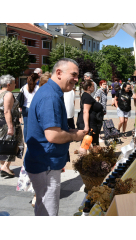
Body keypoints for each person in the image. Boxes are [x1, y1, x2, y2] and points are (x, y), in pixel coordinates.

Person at [24, 58, 86, 216]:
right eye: (73, 74)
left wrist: (71, 132)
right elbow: (52, 135)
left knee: (42, 207)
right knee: (48, 212)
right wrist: (75, 136)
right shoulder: (50, 97)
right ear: (59, 73)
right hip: (45, 164)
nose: (76, 79)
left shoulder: (50, 92)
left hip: (44, 162)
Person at [0, 74, 24, 178]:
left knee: (2, 144)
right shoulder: (8, 94)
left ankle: (4, 166)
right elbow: (7, 111)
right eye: (14, 82)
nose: (15, 84)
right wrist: (11, 126)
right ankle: (5, 166)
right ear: (8, 84)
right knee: (12, 144)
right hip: (8, 123)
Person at [77, 80, 104, 154]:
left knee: (89, 143)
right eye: (93, 86)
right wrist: (86, 126)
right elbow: (86, 111)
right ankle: (85, 161)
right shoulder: (87, 97)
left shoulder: (86, 96)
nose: (94, 87)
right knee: (86, 144)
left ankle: (90, 160)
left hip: (91, 123)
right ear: (89, 88)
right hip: (89, 124)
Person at [20, 73, 40, 142]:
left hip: (25, 107)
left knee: (26, 126)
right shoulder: (37, 88)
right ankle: (34, 139)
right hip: (33, 108)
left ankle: (26, 141)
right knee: (34, 125)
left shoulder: (23, 87)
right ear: (36, 80)